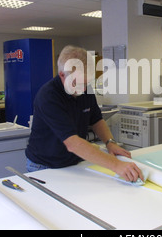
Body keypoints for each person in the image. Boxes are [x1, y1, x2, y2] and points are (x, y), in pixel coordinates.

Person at [25, 45, 143, 182]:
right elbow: (73, 143)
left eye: (86, 83)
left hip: (73, 163)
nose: (82, 89)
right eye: (77, 83)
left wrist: (110, 143)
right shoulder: (48, 96)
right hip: (44, 166)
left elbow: (97, 120)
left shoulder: (85, 89)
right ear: (62, 75)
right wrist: (116, 165)